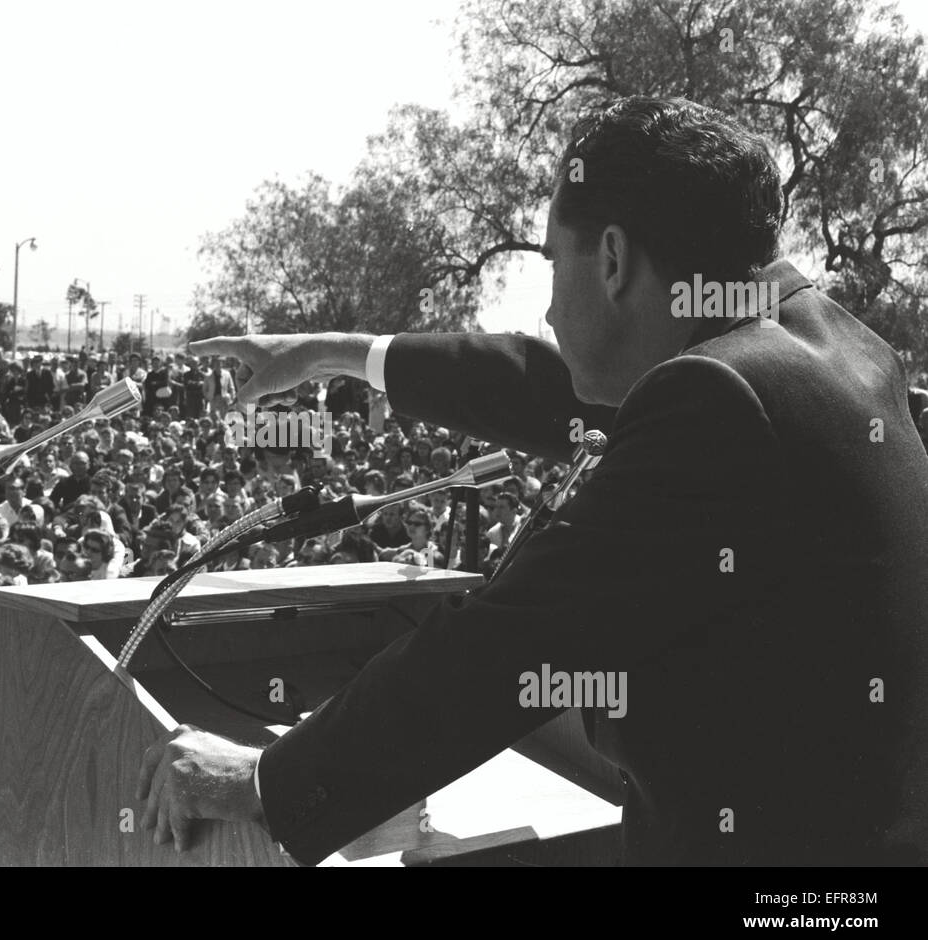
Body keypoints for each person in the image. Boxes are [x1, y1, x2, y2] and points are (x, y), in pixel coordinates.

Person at [136, 96, 928, 866]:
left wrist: (263, 782)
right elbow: (559, 391)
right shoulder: (828, 350)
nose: (548, 310)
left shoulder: (719, 401)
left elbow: (504, 646)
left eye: (554, 264)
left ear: (612, 259)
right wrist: (334, 352)